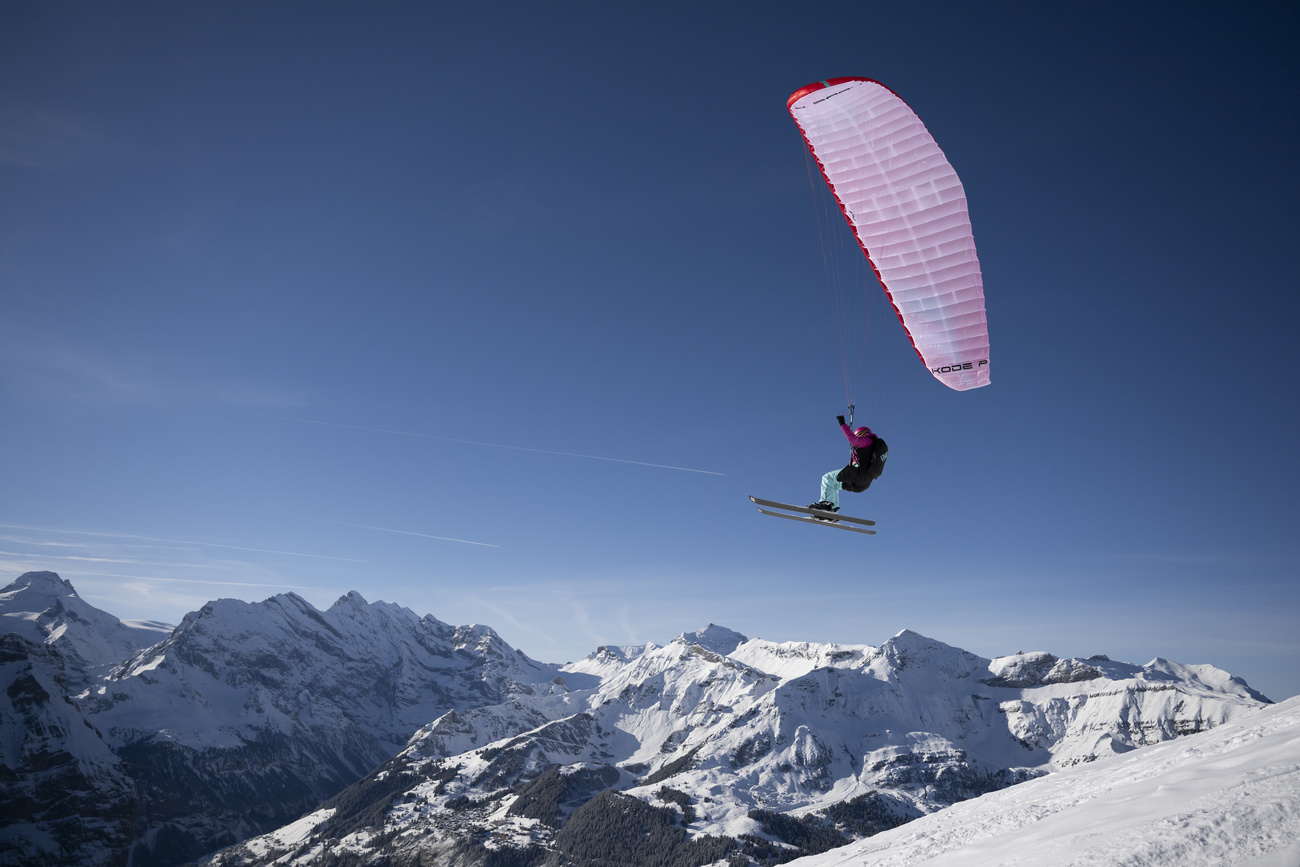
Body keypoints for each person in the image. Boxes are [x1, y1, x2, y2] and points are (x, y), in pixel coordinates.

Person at [809, 415, 887, 519]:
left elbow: (852, 439)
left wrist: (842, 424)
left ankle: (826, 505)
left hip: (857, 474)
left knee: (827, 478)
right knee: (834, 484)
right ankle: (832, 512)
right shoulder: (873, 445)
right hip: (864, 483)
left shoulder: (867, 440)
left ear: (862, 433)